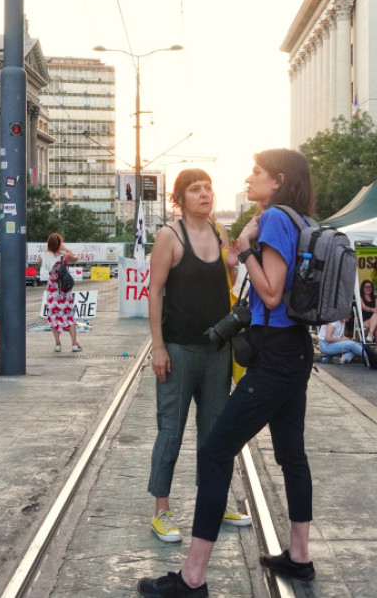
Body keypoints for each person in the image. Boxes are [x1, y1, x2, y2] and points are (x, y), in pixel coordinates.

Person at [138, 149, 317, 597]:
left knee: (215, 449)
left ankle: (192, 578)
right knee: (291, 454)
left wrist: (246, 249)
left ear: (278, 180)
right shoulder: (298, 218)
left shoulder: (272, 220)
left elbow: (270, 294)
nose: (248, 178)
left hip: (273, 354)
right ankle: (299, 557)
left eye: (256, 172)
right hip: (294, 351)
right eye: (196, 189)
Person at [145, 169, 247, 545]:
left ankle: (214, 503)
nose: (204, 194)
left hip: (218, 350)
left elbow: (225, 287)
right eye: (195, 189)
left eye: (207, 188)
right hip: (179, 349)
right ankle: (161, 511)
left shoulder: (220, 233)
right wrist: (158, 348)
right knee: (170, 431)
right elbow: (155, 292)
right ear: (180, 199)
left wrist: (232, 264)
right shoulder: (169, 236)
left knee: (215, 434)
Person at [41, 233, 81, 352]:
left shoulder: (45, 257)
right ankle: (74, 344)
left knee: (54, 317)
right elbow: (76, 257)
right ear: (59, 244)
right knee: (69, 317)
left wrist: (48, 250)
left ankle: (57, 344)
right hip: (64, 292)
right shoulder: (65, 257)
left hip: (52, 293)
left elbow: (40, 263)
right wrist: (65, 248)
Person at [357, 279, 377, 356]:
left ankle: (371, 335)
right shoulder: (360, 297)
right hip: (364, 321)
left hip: (374, 322)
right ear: (363, 288)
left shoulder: (375, 298)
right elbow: (363, 307)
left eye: (370, 287)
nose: (368, 288)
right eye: (366, 287)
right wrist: (372, 309)